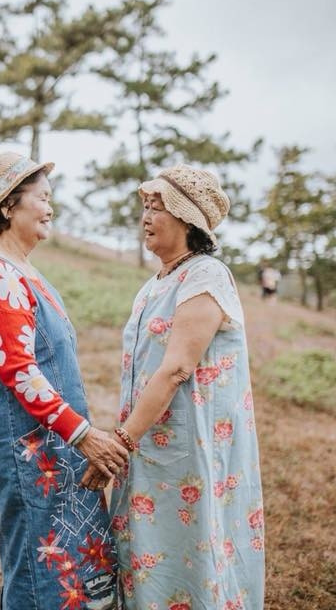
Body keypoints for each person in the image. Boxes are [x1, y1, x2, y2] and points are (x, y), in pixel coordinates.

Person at [0, 152, 128, 610]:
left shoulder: (22, 271)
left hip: (54, 445)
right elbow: (19, 371)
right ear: (8, 206)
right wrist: (84, 434)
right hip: (29, 449)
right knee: (39, 567)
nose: (51, 208)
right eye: (43, 198)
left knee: (68, 567)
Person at [105, 164, 265, 609]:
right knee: (149, 549)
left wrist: (120, 441)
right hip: (148, 440)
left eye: (157, 207)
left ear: (188, 219)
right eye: (144, 206)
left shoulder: (205, 275)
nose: (146, 216)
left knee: (190, 549)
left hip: (189, 447)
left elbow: (177, 368)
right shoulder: (154, 284)